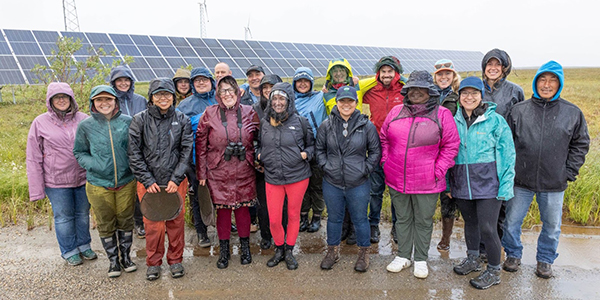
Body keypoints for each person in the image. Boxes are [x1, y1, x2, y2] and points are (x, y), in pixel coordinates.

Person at [502, 61, 590, 279]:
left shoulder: (572, 113)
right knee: (512, 221)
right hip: (520, 180)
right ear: (536, 82)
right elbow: (506, 143)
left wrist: (568, 171)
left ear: (559, 84)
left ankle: (545, 260)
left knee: (552, 225)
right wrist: (509, 171)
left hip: (554, 183)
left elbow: (581, 143)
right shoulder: (519, 111)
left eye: (552, 80)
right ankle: (513, 255)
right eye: (543, 79)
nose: (547, 84)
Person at [382, 70, 460, 279]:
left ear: (430, 91)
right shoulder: (396, 112)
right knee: (403, 218)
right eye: (412, 88)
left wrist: (438, 170)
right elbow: (384, 139)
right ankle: (403, 255)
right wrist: (386, 162)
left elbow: (451, 145)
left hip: (428, 180)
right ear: (407, 91)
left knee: (424, 220)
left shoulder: (442, 114)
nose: (416, 92)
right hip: (397, 178)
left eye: (421, 89)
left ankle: (421, 259)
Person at [449, 77, 515, 289]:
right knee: (470, 224)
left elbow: (507, 154)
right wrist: (449, 185)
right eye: (465, 93)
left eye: (474, 93)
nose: (469, 97)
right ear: (459, 97)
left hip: (488, 185)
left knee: (488, 228)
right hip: (461, 182)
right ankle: (473, 258)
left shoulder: (496, 121)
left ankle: (494, 270)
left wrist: (505, 185)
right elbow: (448, 153)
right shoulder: (453, 120)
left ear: (481, 95)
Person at [128, 78, 193, 280]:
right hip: (149, 183)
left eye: (167, 94)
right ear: (151, 98)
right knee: (153, 225)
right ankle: (153, 263)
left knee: (175, 221)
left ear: (173, 97)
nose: (163, 98)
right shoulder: (139, 120)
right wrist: (147, 180)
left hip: (176, 182)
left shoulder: (182, 119)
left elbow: (186, 151)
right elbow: (134, 153)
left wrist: (176, 178)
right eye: (158, 94)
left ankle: (176, 261)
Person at [26, 82, 96, 266]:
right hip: (56, 181)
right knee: (64, 216)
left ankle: (84, 245)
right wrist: (36, 189)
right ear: (50, 101)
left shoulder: (84, 119)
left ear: (71, 98)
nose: (62, 100)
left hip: (83, 178)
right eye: (57, 97)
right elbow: (33, 157)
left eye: (65, 96)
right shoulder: (40, 122)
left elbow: (96, 147)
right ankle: (69, 250)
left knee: (82, 213)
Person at [196, 75, 260, 269]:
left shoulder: (249, 112)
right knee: (222, 212)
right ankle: (223, 251)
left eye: (231, 89)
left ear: (237, 92)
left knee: (242, 210)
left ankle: (245, 248)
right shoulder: (209, 113)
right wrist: (202, 174)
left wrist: (256, 158)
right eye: (223, 90)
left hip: (244, 170)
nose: (227, 94)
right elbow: (200, 145)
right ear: (218, 93)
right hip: (218, 171)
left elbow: (260, 138)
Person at [73, 85, 136, 278]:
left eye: (108, 99)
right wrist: (94, 164)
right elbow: (79, 152)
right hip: (98, 184)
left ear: (115, 101)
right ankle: (113, 261)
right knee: (105, 222)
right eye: (99, 100)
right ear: (93, 103)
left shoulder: (128, 122)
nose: (104, 103)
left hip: (126, 182)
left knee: (125, 220)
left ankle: (126, 257)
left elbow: (136, 148)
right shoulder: (86, 126)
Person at [317, 86, 381, 272]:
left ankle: (363, 254)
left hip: (358, 182)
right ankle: (332, 251)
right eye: (342, 101)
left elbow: (375, 151)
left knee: (360, 219)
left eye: (350, 101)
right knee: (334, 219)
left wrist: (365, 169)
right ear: (336, 103)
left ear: (356, 103)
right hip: (332, 182)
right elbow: (319, 150)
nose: (346, 104)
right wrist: (326, 167)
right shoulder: (326, 125)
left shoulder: (366, 125)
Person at [257, 82, 314, 270]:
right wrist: (259, 154)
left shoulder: (301, 122)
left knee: (293, 215)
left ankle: (289, 250)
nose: (278, 102)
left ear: (289, 100)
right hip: (273, 177)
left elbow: (311, 145)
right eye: (274, 98)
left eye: (282, 98)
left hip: (297, 176)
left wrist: (306, 154)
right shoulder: (264, 123)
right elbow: (258, 144)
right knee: (274, 218)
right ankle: (279, 248)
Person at [480, 49, 524, 260]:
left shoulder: (515, 91)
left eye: (498, 65)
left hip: (504, 154)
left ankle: (497, 247)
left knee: (502, 202)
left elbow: (520, 125)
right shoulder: (476, 89)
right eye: (490, 64)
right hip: (479, 154)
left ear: (505, 68)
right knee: (481, 200)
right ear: (484, 67)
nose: (493, 68)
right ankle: (480, 248)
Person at [361, 56, 406, 244]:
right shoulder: (368, 91)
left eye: (390, 71)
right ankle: (374, 225)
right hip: (375, 146)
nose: (387, 75)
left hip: (398, 147)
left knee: (396, 190)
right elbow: (344, 91)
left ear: (397, 72)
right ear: (378, 73)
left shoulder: (405, 91)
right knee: (375, 189)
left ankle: (397, 226)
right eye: (383, 71)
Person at [177, 67, 217, 248]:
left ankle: (220, 224)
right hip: (195, 160)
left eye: (205, 79)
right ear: (192, 84)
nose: (201, 83)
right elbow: (179, 135)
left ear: (212, 81)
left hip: (219, 159)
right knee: (198, 195)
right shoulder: (185, 106)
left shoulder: (220, 99)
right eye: (197, 80)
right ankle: (201, 232)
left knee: (220, 194)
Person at [109, 65, 148, 239]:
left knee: (140, 187)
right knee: (124, 188)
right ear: (113, 83)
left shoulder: (140, 100)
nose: (123, 83)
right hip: (119, 151)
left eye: (126, 80)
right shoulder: (109, 101)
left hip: (141, 150)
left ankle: (140, 223)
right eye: (119, 80)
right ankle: (123, 223)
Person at [293, 67, 327, 233]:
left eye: (306, 81)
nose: (302, 84)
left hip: (319, 146)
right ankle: (303, 215)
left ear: (311, 82)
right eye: (299, 81)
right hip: (299, 149)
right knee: (302, 185)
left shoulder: (320, 96)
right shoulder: (290, 100)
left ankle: (317, 216)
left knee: (317, 185)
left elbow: (338, 88)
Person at [252, 74, 284, 249]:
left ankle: (282, 235)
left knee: (282, 205)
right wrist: (258, 157)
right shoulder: (254, 109)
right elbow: (251, 137)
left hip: (282, 166)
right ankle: (266, 235)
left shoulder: (287, 110)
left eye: (271, 87)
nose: (268, 91)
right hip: (261, 166)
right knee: (263, 204)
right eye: (265, 88)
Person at [432, 59, 460, 251]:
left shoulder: (458, 97)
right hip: (431, 150)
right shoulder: (429, 96)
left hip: (451, 151)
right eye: (440, 74)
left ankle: (446, 239)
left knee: (448, 195)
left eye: (447, 74)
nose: (444, 77)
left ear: (453, 76)